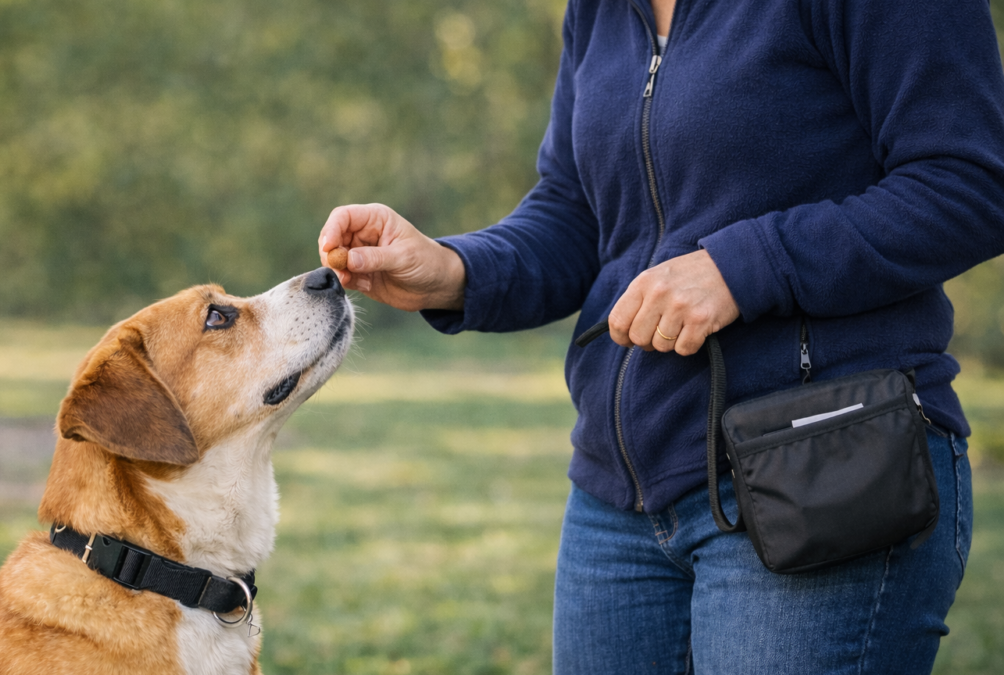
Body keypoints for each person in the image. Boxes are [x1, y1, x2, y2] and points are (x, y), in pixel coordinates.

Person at [317, 0, 1004, 672]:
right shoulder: (599, 10)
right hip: (620, 502)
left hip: (818, 467)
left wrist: (743, 268)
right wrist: (455, 269)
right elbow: (577, 211)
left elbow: (968, 184)